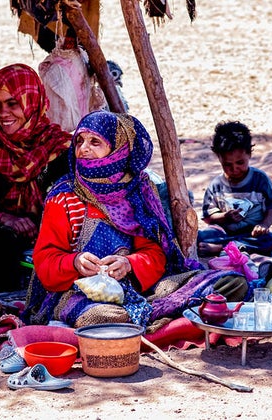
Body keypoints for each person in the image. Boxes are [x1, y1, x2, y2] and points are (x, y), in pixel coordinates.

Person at [22, 110, 189, 328]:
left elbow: (156, 255)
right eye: (79, 141)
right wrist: (75, 262)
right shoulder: (63, 196)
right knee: (101, 316)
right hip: (76, 293)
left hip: (135, 287)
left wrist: (128, 264)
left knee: (224, 284)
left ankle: (148, 310)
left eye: (95, 142)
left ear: (117, 149)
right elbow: (45, 262)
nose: (83, 149)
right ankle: (152, 312)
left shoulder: (137, 192)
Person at [0, 63, 72, 293]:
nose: (3, 113)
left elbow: (74, 211)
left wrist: (41, 228)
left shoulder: (61, 149)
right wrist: (7, 220)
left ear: (32, 102)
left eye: (13, 104)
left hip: (56, 246)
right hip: (7, 249)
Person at [198, 121, 272, 256]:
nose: (234, 169)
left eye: (240, 163)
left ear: (249, 154)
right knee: (199, 237)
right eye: (227, 164)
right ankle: (231, 246)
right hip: (222, 233)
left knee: (268, 241)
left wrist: (264, 225)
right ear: (219, 158)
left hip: (251, 233)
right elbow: (208, 217)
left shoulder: (260, 179)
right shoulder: (216, 184)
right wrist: (225, 217)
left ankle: (222, 249)